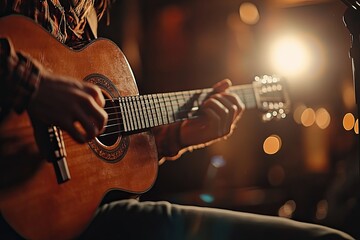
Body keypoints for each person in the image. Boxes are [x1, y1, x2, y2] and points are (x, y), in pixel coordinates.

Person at [0, 0, 355, 239]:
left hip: (66, 217)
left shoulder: (90, 12)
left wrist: (176, 139)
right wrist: (36, 88)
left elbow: (98, 155)